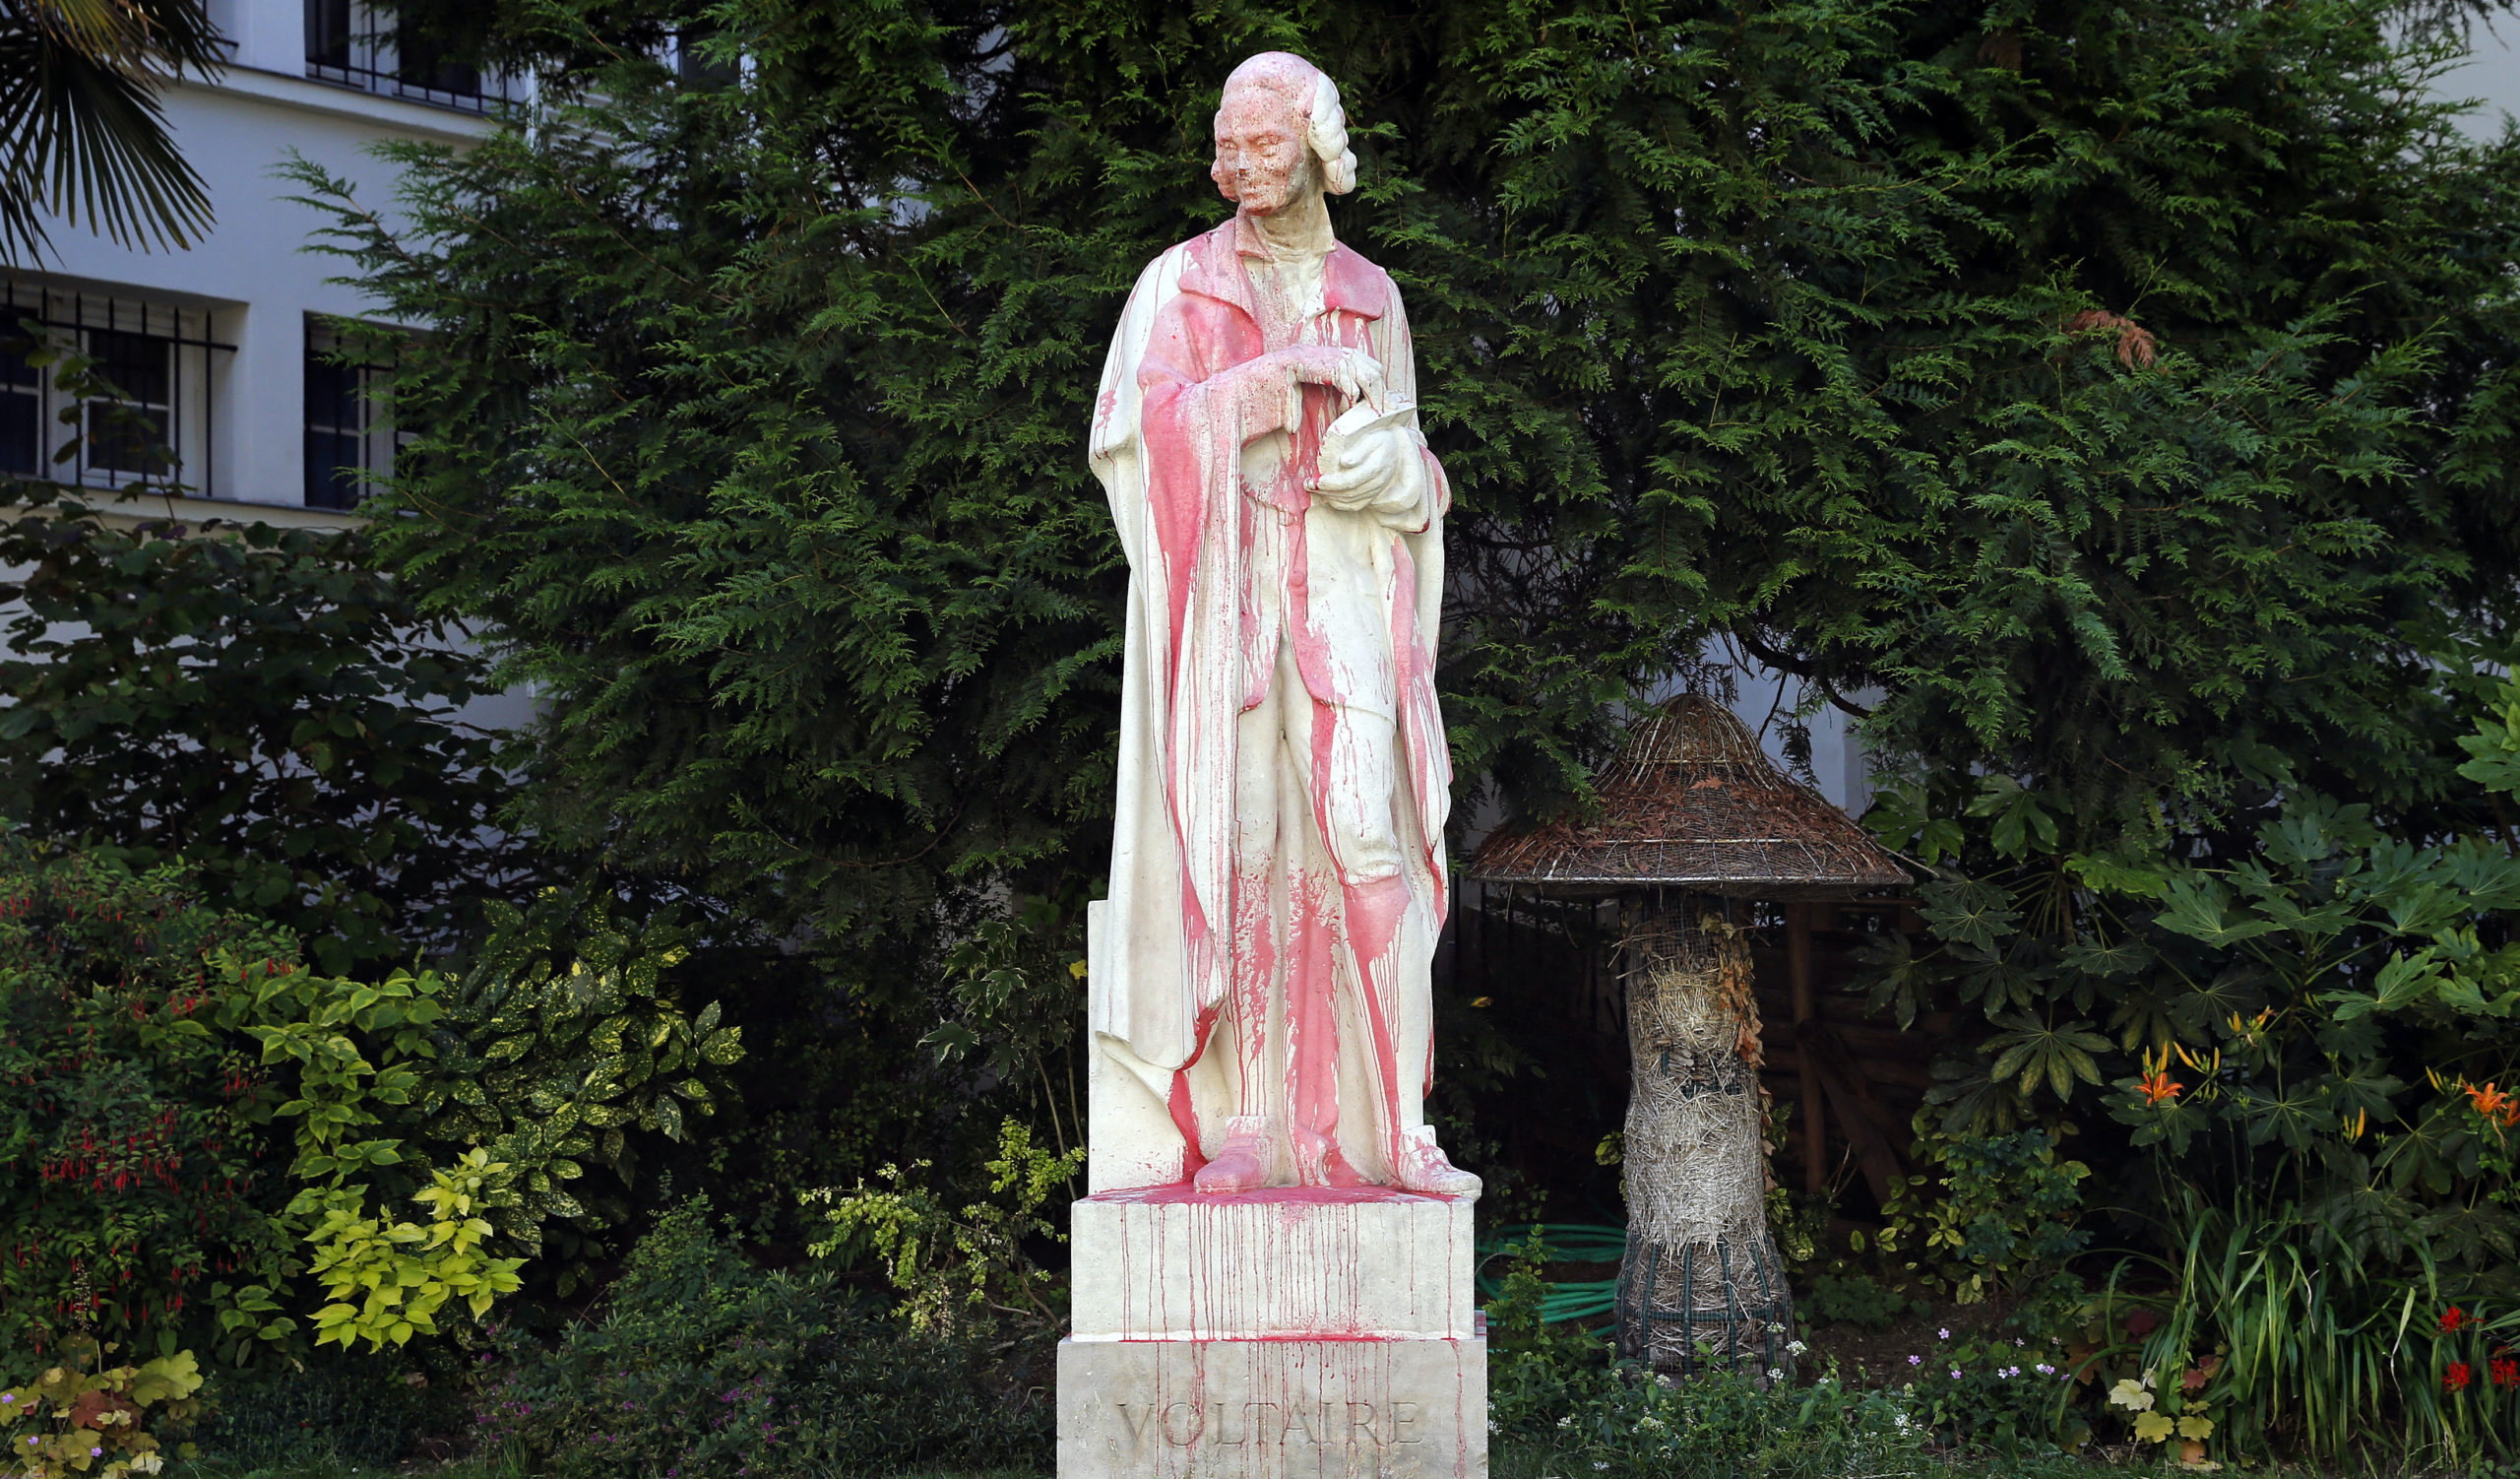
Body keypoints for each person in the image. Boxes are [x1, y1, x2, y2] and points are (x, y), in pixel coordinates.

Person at [1086, 51, 1478, 1196]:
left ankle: (1398, 1126)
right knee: (1240, 844)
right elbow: (1132, 443)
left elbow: (1416, 478)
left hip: (1345, 599)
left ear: (1317, 148)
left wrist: (1393, 476)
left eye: (1265, 145)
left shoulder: (1373, 294)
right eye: (1229, 146)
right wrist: (1267, 385)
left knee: (1370, 834)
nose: (1241, 167)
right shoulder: (1179, 284)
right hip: (1229, 607)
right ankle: (1247, 1121)